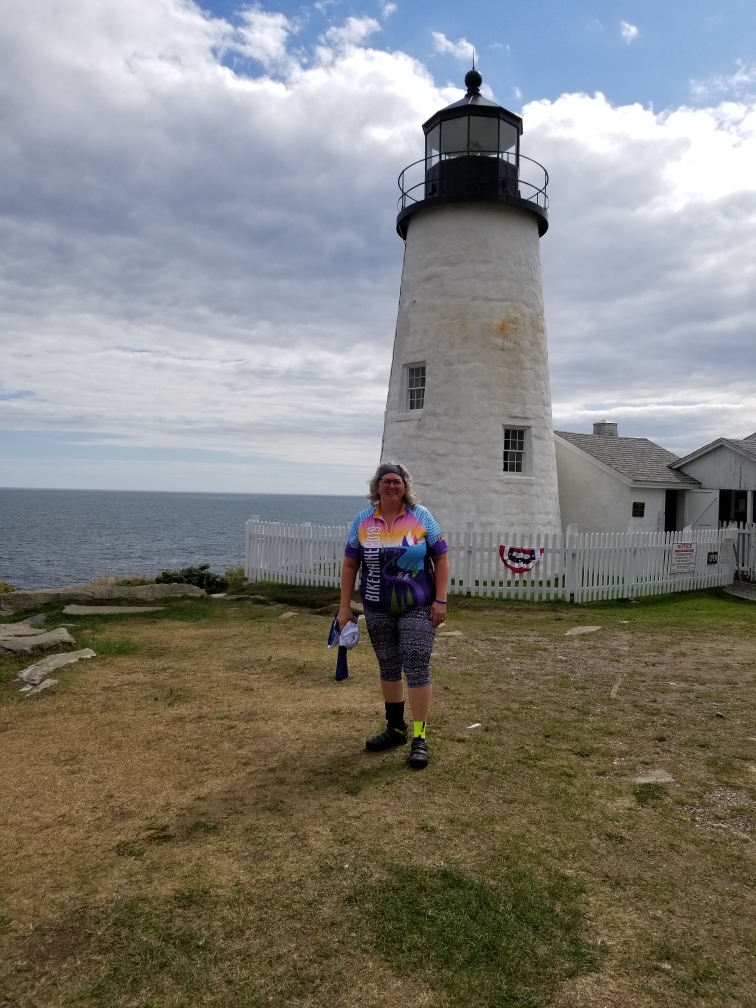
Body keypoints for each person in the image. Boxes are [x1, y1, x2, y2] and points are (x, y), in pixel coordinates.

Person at [337, 462, 449, 769]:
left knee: (416, 667)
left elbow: (440, 557)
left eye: (396, 481)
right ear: (376, 486)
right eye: (385, 481)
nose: (391, 486)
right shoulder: (363, 520)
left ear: (405, 486)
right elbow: (350, 565)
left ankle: (420, 737)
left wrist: (440, 600)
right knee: (388, 666)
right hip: (376, 605)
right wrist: (345, 607)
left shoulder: (421, 516)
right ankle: (396, 728)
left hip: (418, 605)